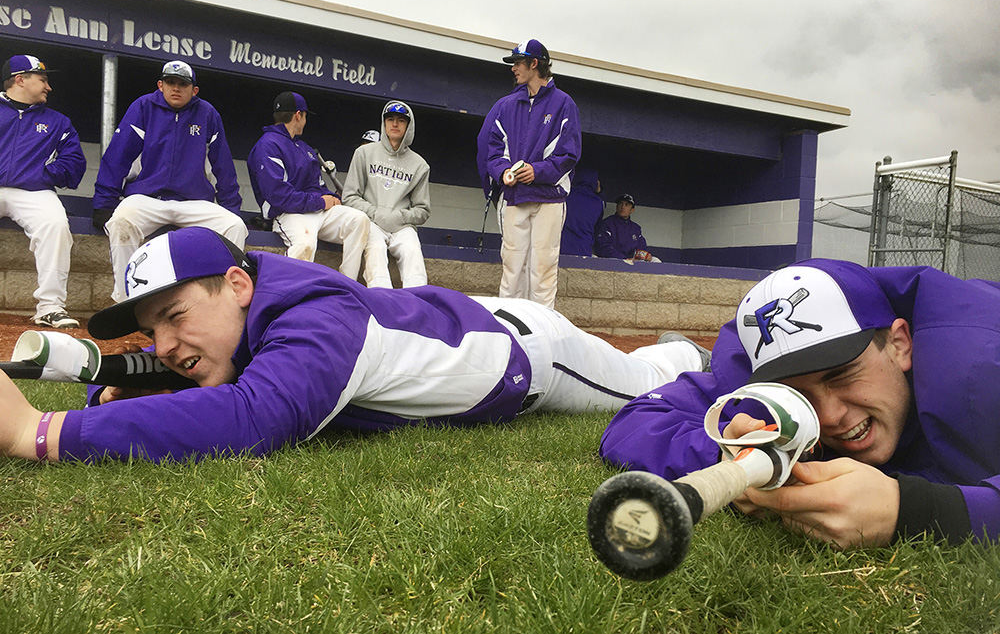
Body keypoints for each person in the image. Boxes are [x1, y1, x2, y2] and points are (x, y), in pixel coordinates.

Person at [0, 226, 709, 463]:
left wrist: (42, 430)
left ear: (238, 286)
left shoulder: (316, 322)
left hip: (529, 352)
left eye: (176, 314)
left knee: (646, 378)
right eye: (151, 327)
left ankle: (687, 353)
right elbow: (195, 370)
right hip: (453, 315)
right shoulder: (241, 305)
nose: (165, 341)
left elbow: (250, 418)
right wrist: (112, 389)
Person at [600, 258, 1000, 547]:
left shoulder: (981, 367)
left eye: (841, 374)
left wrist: (916, 511)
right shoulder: (758, 379)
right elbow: (640, 418)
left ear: (899, 344)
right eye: (797, 392)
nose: (830, 416)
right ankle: (693, 354)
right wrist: (728, 452)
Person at [92, 60, 246, 303]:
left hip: (193, 202)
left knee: (234, 225)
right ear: (160, 85)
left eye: (183, 84)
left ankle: (224, 302)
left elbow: (222, 166)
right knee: (121, 222)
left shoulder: (207, 114)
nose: (176, 88)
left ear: (194, 90)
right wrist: (104, 202)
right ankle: (126, 300)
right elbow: (118, 156)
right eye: (171, 83)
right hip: (147, 198)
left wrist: (231, 206)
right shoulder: (143, 107)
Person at [482, 39, 581, 309]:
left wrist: (535, 171)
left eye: (518, 63)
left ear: (534, 63)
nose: (513, 68)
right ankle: (510, 332)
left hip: (549, 197)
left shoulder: (564, 103)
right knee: (512, 269)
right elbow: (493, 152)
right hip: (515, 197)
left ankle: (542, 336)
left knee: (543, 270)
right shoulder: (506, 106)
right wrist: (503, 173)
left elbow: (569, 155)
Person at [0, 55, 85, 329]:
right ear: (20, 79)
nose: (48, 87)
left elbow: (74, 163)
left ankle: (50, 306)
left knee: (56, 225)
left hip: (33, 191)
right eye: (43, 79)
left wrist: (42, 173)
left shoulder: (57, 121)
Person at [247, 91, 370, 277]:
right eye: (304, 116)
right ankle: (284, 295)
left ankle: (347, 283)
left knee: (359, 220)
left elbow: (318, 188)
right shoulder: (268, 144)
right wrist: (321, 202)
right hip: (288, 213)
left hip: (316, 210)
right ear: (298, 115)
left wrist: (333, 198)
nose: (305, 121)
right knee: (305, 245)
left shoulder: (305, 149)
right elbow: (278, 196)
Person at [343, 101, 430, 288]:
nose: (395, 124)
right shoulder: (364, 153)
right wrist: (375, 213)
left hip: (402, 225)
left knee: (412, 251)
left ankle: (418, 304)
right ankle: (381, 298)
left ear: (409, 125)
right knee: (375, 248)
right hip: (372, 221)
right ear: (384, 123)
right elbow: (349, 196)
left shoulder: (420, 165)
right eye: (390, 119)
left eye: (401, 120)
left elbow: (423, 210)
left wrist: (399, 216)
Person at [594, 194, 657, 262]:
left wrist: (645, 256)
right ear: (616, 206)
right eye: (620, 204)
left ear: (632, 210)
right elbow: (603, 247)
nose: (623, 207)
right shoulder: (607, 223)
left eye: (626, 205)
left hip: (631, 261)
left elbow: (641, 247)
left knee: (655, 261)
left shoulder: (635, 228)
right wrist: (623, 259)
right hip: (613, 261)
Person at [560, 168, 604, 257]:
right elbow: (598, 228)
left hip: (561, 247)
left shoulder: (565, 195)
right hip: (584, 249)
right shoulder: (598, 202)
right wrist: (599, 192)